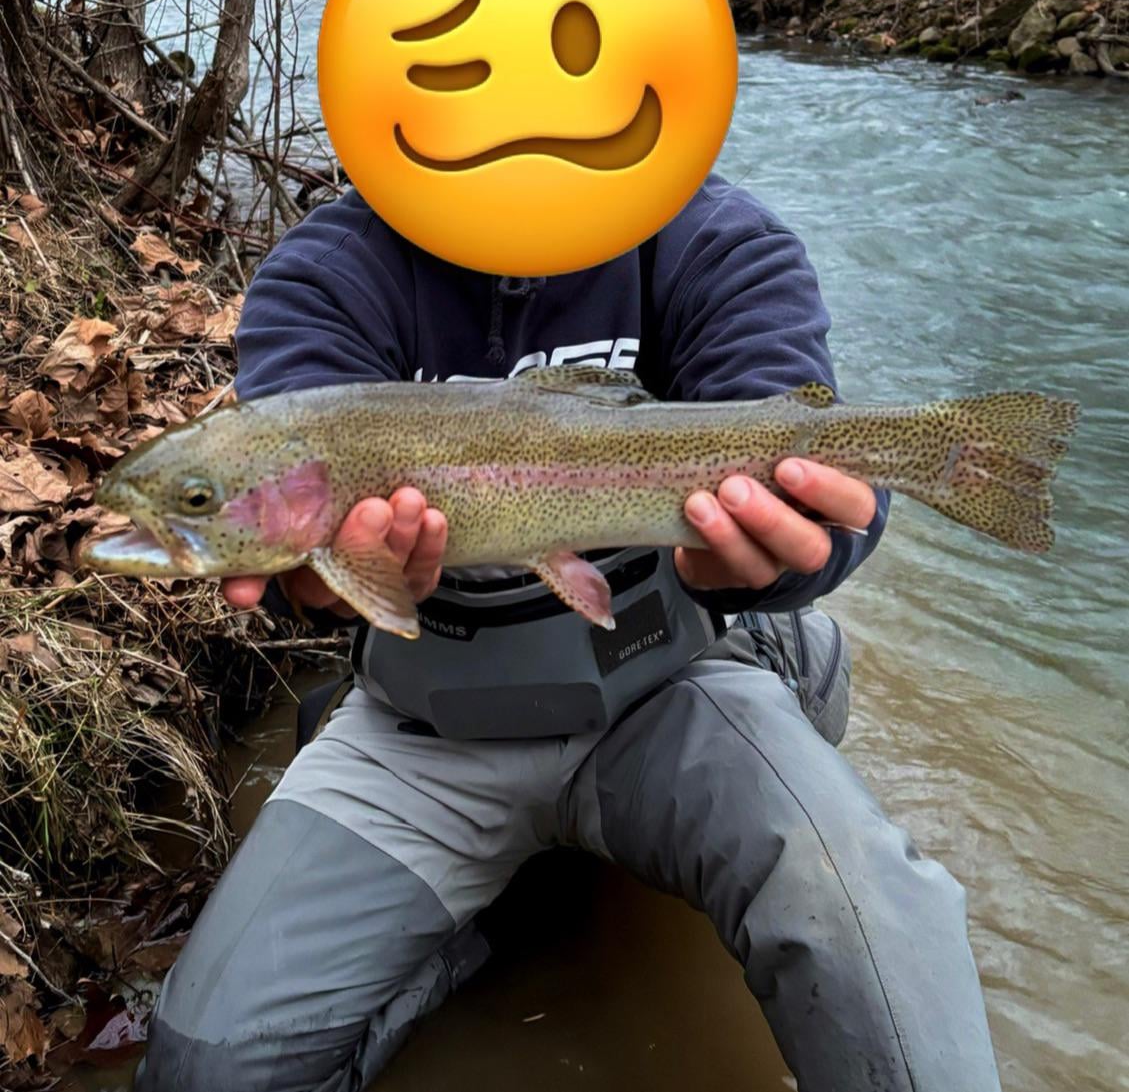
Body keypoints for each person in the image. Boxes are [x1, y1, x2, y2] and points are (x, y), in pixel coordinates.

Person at [136, 173, 1002, 1092]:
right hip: (425, 726)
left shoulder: (715, 238)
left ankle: (788, 671)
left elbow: (796, 433)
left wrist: (795, 555)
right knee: (203, 1073)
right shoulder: (327, 271)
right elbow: (282, 537)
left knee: (894, 988)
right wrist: (316, 588)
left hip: (669, 690)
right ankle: (488, 921)